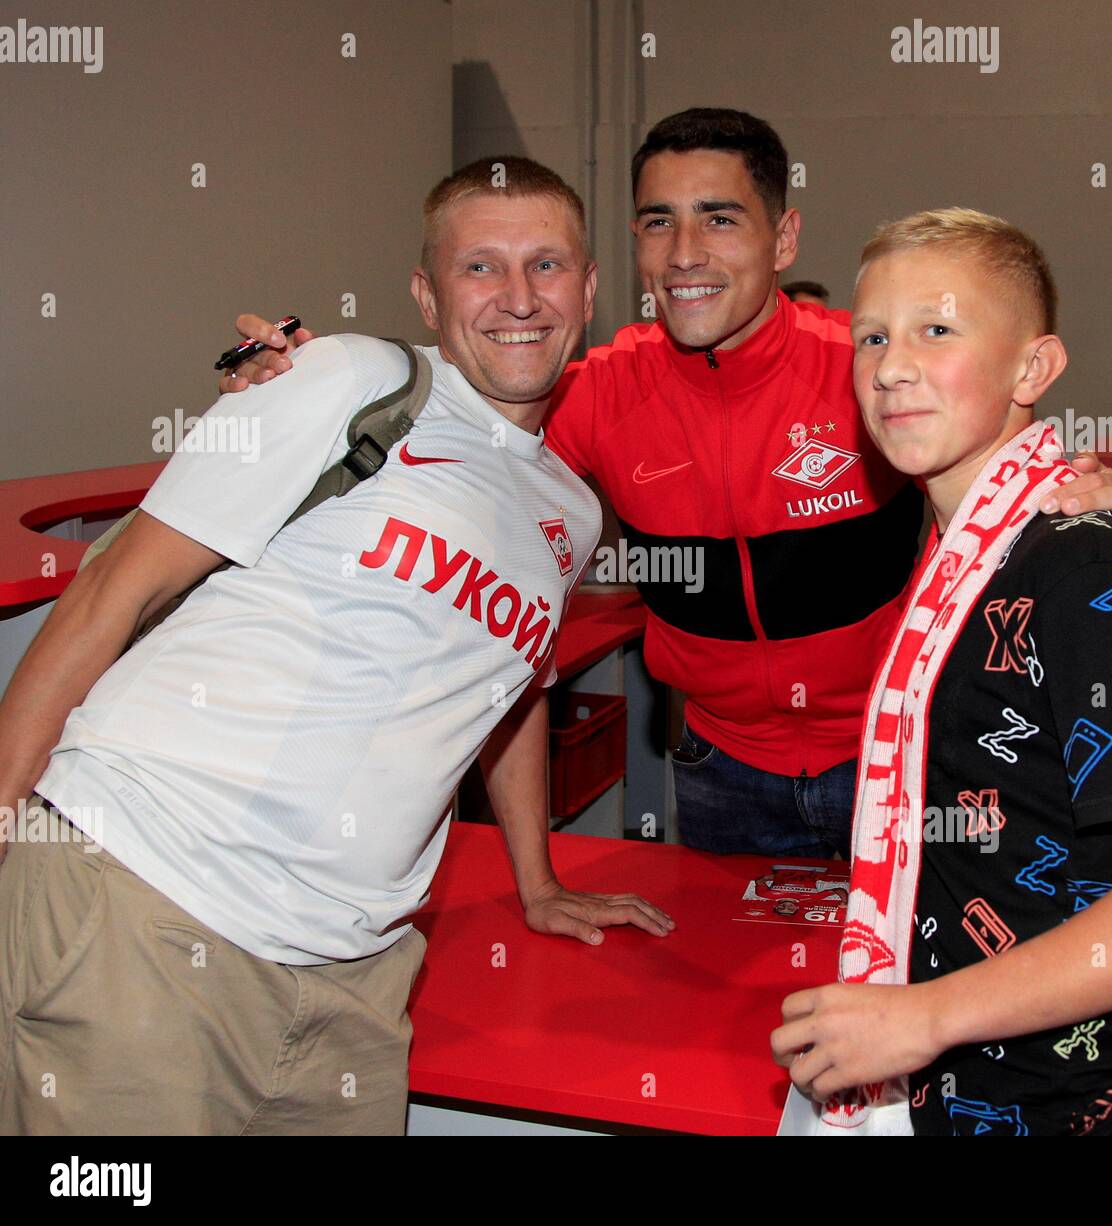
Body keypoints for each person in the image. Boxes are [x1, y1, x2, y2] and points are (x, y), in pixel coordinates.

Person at [222, 109, 1112, 862]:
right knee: (725, 1035)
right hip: (719, 769)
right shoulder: (596, 392)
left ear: (784, 235)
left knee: (901, 1022)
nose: (684, 253)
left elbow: (1004, 438)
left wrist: (1099, 501)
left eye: (719, 218)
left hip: (896, 762)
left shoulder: (870, 366)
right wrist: (316, 385)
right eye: (657, 221)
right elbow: (452, 413)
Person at [0, 156, 672, 1137]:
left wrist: (538, 880)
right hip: (147, 898)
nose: (519, 298)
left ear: (590, 286)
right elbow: (114, 584)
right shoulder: (359, 380)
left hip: (355, 970)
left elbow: (505, 685)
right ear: (426, 292)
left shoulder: (569, 508)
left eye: (547, 265)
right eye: (481, 268)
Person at [772, 207, 1112, 1137]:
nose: (890, 364)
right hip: (975, 1089)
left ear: (1033, 369)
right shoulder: (954, 549)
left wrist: (927, 1016)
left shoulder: (1081, 561)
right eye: (872, 335)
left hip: (1101, 1108)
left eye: (938, 328)